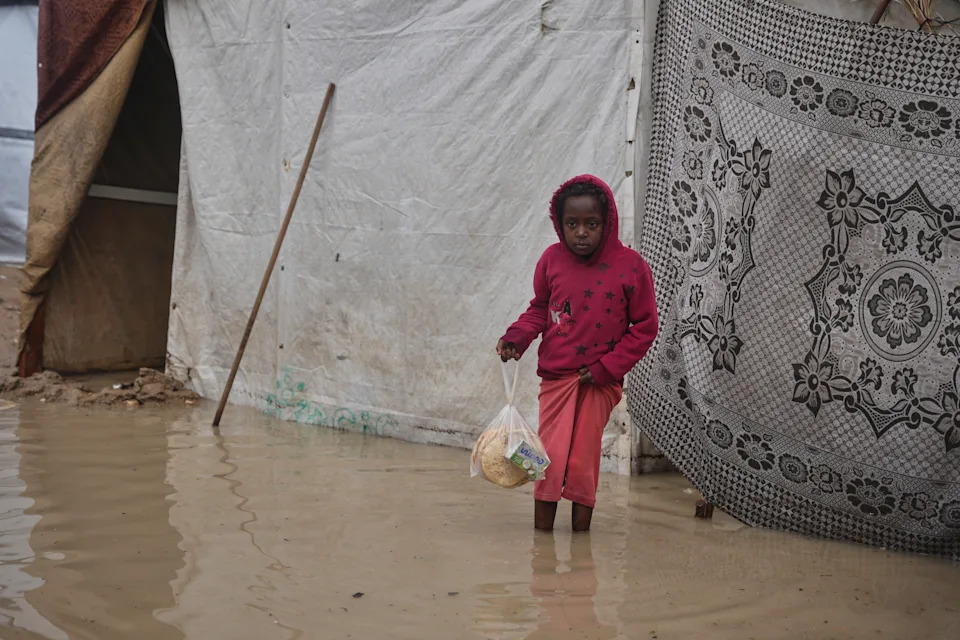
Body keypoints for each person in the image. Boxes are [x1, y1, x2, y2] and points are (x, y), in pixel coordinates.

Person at [496, 175, 658, 532]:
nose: (581, 232)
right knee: (548, 458)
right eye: (572, 224)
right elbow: (540, 308)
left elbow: (645, 328)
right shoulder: (551, 260)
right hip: (556, 377)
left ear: (607, 223)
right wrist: (517, 338)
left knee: (583, 460)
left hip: (600, 382)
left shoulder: (631, 266)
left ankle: (580, 541)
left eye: (591, 224)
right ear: (560, 223)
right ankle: (544, 543)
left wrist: (606, 368)